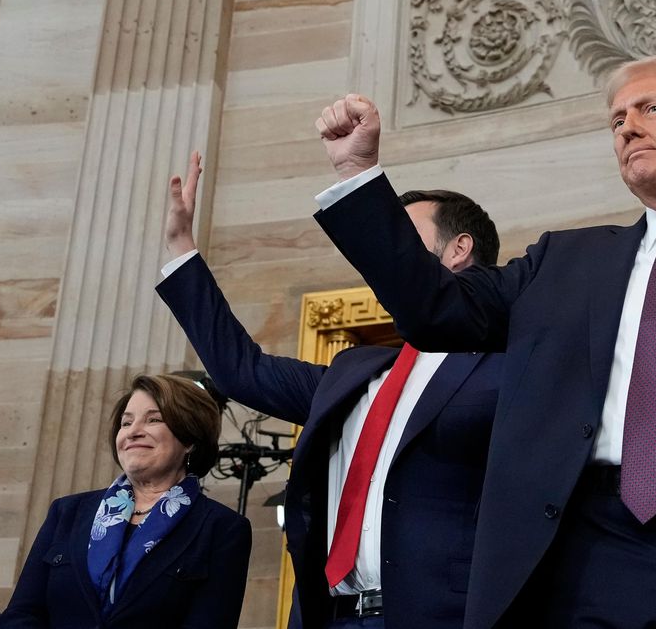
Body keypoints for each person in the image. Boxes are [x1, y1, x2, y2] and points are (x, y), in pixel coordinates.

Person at [312, 53, 656, 628]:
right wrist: (359, 176)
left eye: (650, 107)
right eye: (617, 119)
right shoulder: (563, 261)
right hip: (590, 553)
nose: (627, 126)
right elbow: (435, 313)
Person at [157, 151, 503, 628]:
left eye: (402, 235)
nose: (387, 250)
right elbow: (241, 370)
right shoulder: (354, 371)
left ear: (458, 249)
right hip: (330, 617)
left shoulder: (506, 367)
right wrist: (181, 248)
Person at [0, 374, 251, 629]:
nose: (133, 432)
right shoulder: (67, 512)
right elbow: (21, 613)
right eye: (126, 423)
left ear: (190, 440)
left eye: (153, 420)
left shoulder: (223, 529)